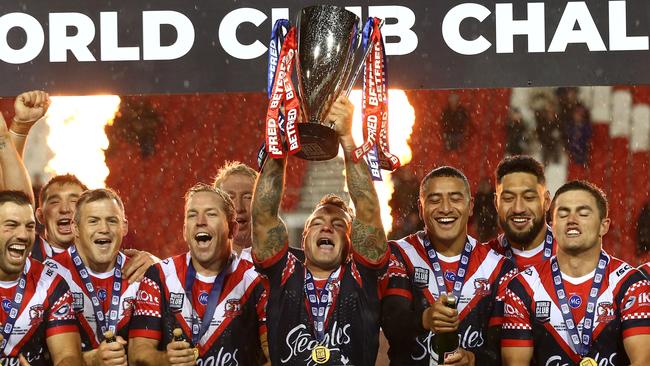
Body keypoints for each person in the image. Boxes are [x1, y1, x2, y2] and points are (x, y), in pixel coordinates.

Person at [252, 96, 389, 365]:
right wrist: (281, 142)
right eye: (316, 223)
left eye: (339, 225)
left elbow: (368, 212)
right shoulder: (285, 271)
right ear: (303, 239)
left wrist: (348, 140)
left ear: (353, 242)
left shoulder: (361, 274)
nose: (327, 225)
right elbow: (263, 215)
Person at [501, 180, 650, 365]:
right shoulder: (523, 286)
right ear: (552, 226)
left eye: (583, 213)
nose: (571, 220)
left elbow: (642, 362)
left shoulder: (631, 283)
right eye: (563, 214)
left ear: (604, 226)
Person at [381, 166, 514, 366]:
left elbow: (503, 349)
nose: (445, 208)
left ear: (470, 206)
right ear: (420, 207)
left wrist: (473, 359)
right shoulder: (399, 254)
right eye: (434, 200)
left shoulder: (498, 267)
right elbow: (392, 323)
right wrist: (424, 319)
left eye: (455, 198)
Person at [128, 183, 266, 365]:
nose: (200, 221)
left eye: (211, 214)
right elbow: (138, 354)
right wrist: (165, 360)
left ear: (232, 229)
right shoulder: (160, 275)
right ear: (185, 231)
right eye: (192, 215)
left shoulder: (256, 280)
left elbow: (277, 357)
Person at [45, 189, 142, 366]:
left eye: (112, 221)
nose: (103, 229)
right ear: (75, 228)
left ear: (124, 227)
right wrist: (91, 360)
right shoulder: (50, 275)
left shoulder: (143, 273)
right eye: (93, 221)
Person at [0, 190, 82, 365]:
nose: (23, 235)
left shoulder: (51, 282)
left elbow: (68, 356)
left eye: (29, 227)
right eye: (12, 225)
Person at [31, 174, 155, 283]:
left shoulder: (126, 262)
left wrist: (157, 267)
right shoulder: (26, 257)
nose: (65, 209)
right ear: (40, 216)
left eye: (74, 201)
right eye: (55, 202)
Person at [486, 156, 556, 271]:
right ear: (496, 204)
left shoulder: (572, 254)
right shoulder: (482, 259)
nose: (518, 209)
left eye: (528, 197)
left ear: (547, 201)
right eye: (508, 198)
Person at [213, 161, 257, 257]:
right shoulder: (196, 267)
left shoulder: (292, 263)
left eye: (248, 197)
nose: (238, 207)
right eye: (230, 197)